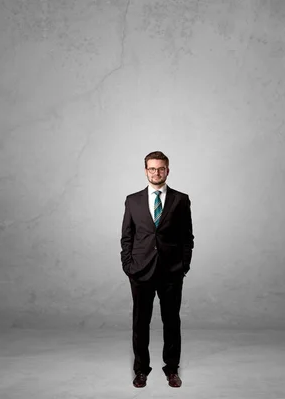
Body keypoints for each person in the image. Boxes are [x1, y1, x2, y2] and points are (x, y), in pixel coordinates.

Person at [120, 151, 194, 388]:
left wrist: (183, 265)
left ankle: (171, 369)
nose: (156, 172)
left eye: (161, 168)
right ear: (145, 171)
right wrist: (128, 266)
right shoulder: (133, 200)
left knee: (171, 322)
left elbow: (187, 237)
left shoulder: (181, 200)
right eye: (152, 169)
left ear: (168, 170)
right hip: (140, 271)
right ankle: (141, 370)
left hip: (171, 271)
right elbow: (127, 237)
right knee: (140, 322)